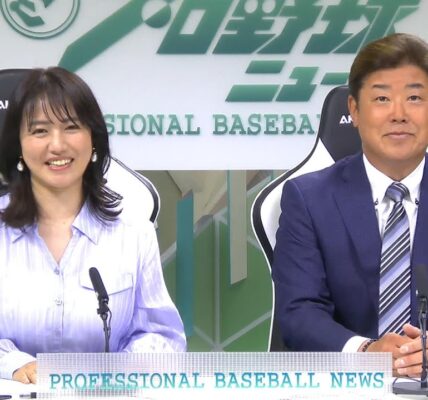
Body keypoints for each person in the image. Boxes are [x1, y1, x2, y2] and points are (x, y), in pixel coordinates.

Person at [0, 67, 186, 384]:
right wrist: (15, 365)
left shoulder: (133, 233)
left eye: (71, 127)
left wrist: (113, 372)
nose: (57, 145)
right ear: (18, 144)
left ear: (93, 139)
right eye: (40, 131)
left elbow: (162, 337)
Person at [272, 32, 428, 377]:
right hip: (345, 384)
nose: (399, 114)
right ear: (355, 111)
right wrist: (366, 352)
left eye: (415, 98)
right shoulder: (309, 199)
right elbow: (299, 311)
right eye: (382, 98)